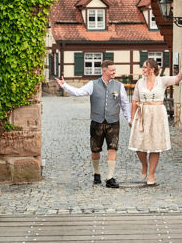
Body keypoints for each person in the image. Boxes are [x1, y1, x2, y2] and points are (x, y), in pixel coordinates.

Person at [55, 60, 131, 188]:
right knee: (95, 150)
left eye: (114, 70)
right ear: (104, 70)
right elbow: (78, 92)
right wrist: (64, 86)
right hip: (97, 122)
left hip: (113, 122)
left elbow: (124, 104)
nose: (114, 72)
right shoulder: (93, 84)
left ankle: (110, 177)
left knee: (113, 148)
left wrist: (129, 119)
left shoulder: (119, 86)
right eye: (112, 70)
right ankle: (96, 173)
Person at [128, 57, 182, 185]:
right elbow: (135, 100)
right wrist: (132, 117)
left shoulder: (162, 81)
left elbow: (178, 78)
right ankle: (144, 165)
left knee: (155, 145)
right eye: (143, 67)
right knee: (138, 144)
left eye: (145, 67)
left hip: (157, 114)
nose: (143, 69)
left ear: (152, 69)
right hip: (143, 114)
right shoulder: (140, 83)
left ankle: (151, 175)